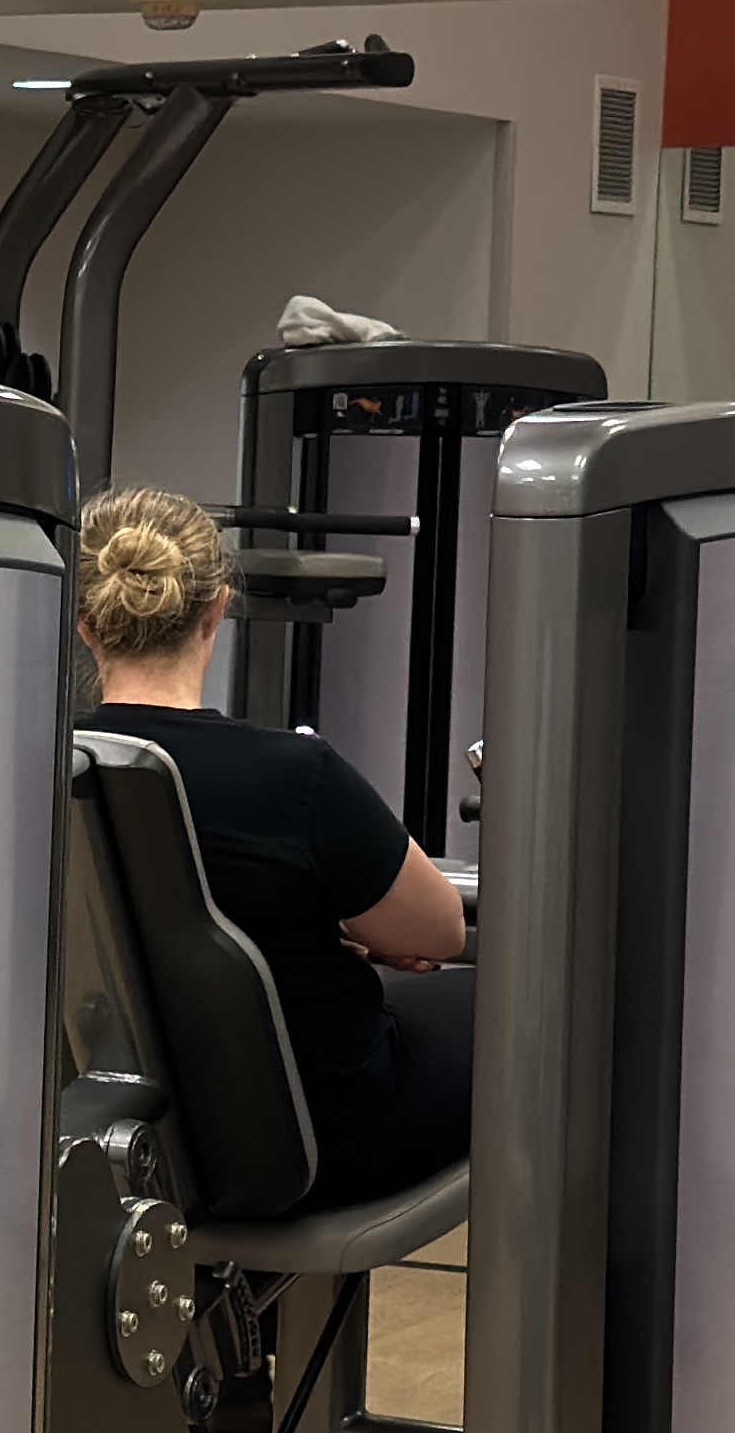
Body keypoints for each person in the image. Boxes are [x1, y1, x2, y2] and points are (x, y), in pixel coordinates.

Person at [78, 482, 476, 1211]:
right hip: (320, 1142)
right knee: (512, 1009)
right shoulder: (296, 777)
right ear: (216, 611)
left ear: (86, 626)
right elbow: (442, 930)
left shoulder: (48, 776)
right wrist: (346, 930)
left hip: (129, 1140)